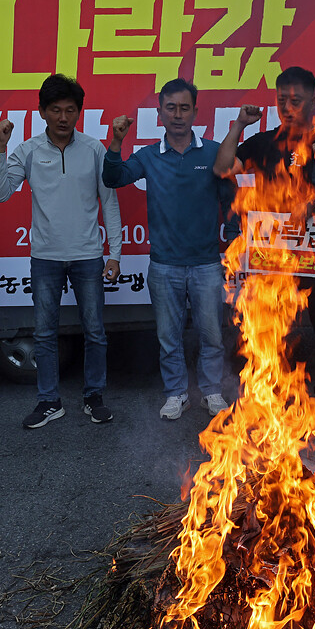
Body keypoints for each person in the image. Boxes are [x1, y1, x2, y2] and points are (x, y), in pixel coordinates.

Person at [0, 74, 123, 428]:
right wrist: (1, 148)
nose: (63, 117)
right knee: (45, 333)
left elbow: (109, 203)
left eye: (70, 110)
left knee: (95, 331)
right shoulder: (29, 150)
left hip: (88, 256)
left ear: (79, 112)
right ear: (42, 112)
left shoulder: (94, 150)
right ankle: (49, 401)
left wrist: (115, 254)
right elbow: (0, 192)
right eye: (55, 110)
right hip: (45, 257)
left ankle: (94, 396)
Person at [215, 66, 315, 413]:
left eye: (296, 100)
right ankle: (266, 389)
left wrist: (313, 200)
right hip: (273, 250)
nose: (288, 107)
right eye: (282, 100)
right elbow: (223, 168)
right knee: (268, 322)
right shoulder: (262, 142)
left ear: (313, 101)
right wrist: (240, 125)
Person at [102, 78, 233, 420]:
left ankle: (211, 392)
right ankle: (176, 394)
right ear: (159, 113)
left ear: (195, 112)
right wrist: (116, 141)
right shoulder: (148, 156)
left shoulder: (214, 152)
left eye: (184, 107)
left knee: (212, 335)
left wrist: (234, 249)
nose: (178, 114)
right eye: (171, 107)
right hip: (163, 266)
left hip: (206, 264)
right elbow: (114, 178)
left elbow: (231, 203)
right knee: (168, 337)